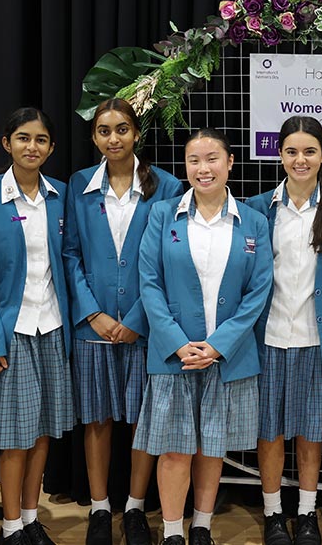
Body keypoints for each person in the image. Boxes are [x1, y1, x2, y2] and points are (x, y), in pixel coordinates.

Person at [134, 128, 273, 545]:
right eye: (194, 160)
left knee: (213, 447)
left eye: (212, 158)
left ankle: (201, 527)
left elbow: (258, 291)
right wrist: (179, 343)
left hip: (227, 356)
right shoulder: (162, 216)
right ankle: (173, 532)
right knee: (175, 449)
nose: (203, 168)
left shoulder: (253, 221)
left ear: (230, 163)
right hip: (174, 354)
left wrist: (218, 345)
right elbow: (150, 284)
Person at [64, 99, 183, 545]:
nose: (113, 138)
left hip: (144, 327)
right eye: (103, 131)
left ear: (137, 133)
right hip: (90, 327)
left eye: (121, 129)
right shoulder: (79, 185)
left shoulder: (167, 187)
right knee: (96, 419)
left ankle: (134, 507)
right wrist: (92, 313)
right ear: (94, 137)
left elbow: (170, 262)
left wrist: (136, 317)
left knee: (140, 419)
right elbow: (70, 254)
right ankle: (99, 508)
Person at [247, 116, 322, 545]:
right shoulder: (258, 208)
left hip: (317, 341)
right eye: (291, 151)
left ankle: (307, 513)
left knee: (312, 433)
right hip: (268, 338)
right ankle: (274, 514)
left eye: (309, 151)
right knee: (269, 430)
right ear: (279, 155)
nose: (300, 159)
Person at [0, 107, 75, 545]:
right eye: (23, 138)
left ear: (51, 147)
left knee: (44, 429)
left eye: (41, 140)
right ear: (6, 143)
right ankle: (11, 526)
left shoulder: (61, 195)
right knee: (15, 435)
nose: (32, 147)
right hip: (9, 330)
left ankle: (31, 518)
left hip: (52, 326)